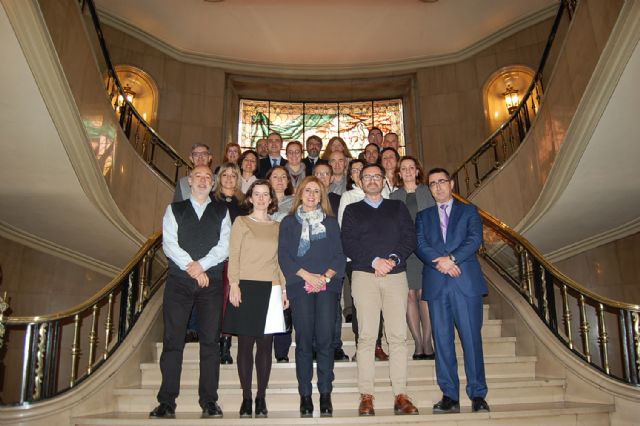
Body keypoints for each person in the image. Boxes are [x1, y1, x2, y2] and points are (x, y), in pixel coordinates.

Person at [150, 166, 230, 419]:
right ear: (190, 181)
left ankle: (209, 401)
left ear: (213, 184)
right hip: (179, 282)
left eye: (208, 177)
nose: (203, 180)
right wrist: (193, 269)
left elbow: (225, 245)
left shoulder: (222, 211)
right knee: (173, 341)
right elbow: (169, 244)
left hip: (211, 283)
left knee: (210, 343)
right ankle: (166, 402)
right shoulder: (174, 209)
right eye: (199, 176)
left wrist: (202, 266)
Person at [341, 163, 419, 417]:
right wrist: (375, 261)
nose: (372, 180)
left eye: (377, 176)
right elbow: (348, 242)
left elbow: (409, 237)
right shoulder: (352, 210)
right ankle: (367, 395)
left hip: (395, 276)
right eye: (367, 177)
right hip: (364, 276)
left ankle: (400, 394)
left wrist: (392, 260)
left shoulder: (397, 207)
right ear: (360, 182)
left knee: (397, 337)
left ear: (384, 180)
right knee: (366, 337)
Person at [416, 167, 490, 414]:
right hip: (437, 284)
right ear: (429, 189)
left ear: (451, 184)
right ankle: (449, 395)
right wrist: (442, 263)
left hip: (465, 284)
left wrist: (452, 259)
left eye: (442, 181)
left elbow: (474, 239)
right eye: (432, 183)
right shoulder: (423, 216)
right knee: (442, 341)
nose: (437, 187)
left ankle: (477, 394)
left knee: (471, 339)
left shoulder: (469, 211)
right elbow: (420, 244)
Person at [278, 177, 346, 418]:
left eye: (316, 191)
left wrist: (324, 278)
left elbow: (339, 256)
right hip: (300, 285)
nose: (311, 195)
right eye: (307, 190)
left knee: (326, 341)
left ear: (321, 196)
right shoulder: (288, 222)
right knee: (304, 342)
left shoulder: (331, 222)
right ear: (300, 193)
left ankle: (325, 394)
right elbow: (284, 256)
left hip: (327, 286)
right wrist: (307, 276)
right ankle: (305, 395)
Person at [223, 180, 288, 419]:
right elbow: (234, 255)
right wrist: (234, 284)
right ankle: (246, 397)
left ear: (271, 199)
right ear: (250, 198)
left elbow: (280, 260)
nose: (261, 198)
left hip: (271, 287)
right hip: (246, 287)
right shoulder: (241, 222)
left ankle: (261, 397)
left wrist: (284, 289)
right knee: (245, 345)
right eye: (257, 194)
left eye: (265, 194)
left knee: (265, 346)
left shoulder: (278, 226)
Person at [390, 156, 435, 360]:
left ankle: (428, 341)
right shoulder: (394, 196)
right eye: (404, 168)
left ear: (417, 171)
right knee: (409, 295)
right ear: (399, 173)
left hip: (426, 250)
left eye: (411, 167)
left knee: (425, 295)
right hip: (405, 252)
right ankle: (417, 342)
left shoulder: (428, 191)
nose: (408, 171)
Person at [313, 163, 350, 362]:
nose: (322, 177)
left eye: (326, 174)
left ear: (331, 178)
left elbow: (344, 231)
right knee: (311, 308)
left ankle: (335, 347)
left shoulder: (339, 200)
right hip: (310, 263)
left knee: (333, 307)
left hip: (333, 263)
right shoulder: (306, 200)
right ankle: (313, 347)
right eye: (318, 173)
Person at [213, 163, 248, 364]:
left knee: (229, 301)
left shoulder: (244, 203)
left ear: (238, 179)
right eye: (224, 175)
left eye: (233, 175)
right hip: (211, 260)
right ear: (219, 178)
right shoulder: (210, 200)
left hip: (235, 259)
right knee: (213, 303)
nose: (228, 178)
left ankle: (225, 344)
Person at [265, 166, 294, 361]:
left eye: (284, 177)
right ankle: (265, 350)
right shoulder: (260, 200)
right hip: (264, 259)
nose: (280, 180)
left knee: (285, 303)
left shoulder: (295, 202)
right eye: (275, 177)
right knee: (267, 305)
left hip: (287, 257)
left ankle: (282, 352)